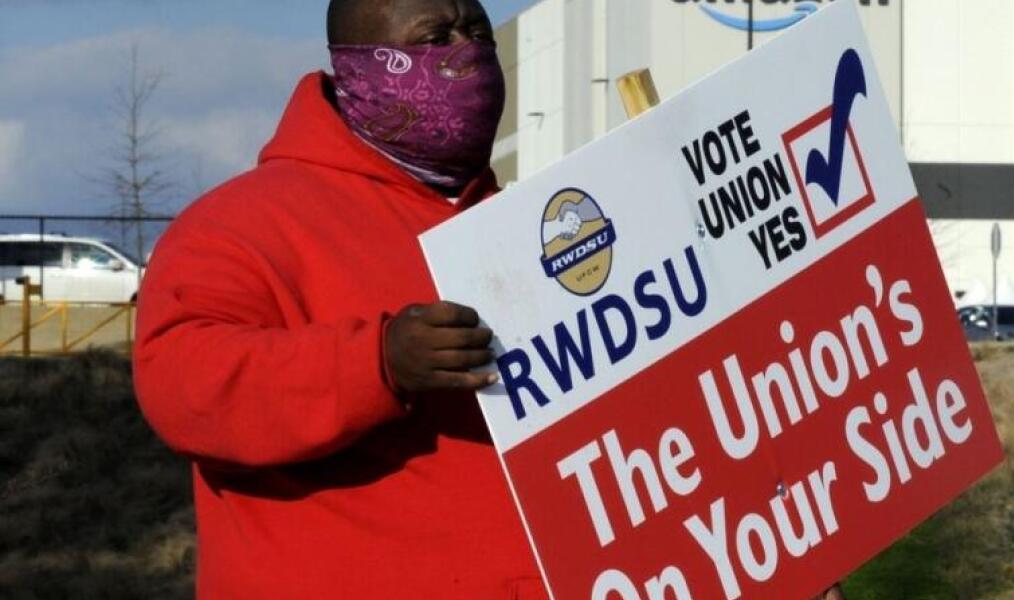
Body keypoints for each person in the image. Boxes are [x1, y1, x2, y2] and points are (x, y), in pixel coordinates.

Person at [133, 0, 848, 597]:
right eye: (432, 38)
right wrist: (375, 362)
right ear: (353, 66)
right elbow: (182, 384)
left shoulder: (528, 228)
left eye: (476, 31)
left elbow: (648, 441)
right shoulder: (243, 224)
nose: (465, 53)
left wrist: (777, 551)